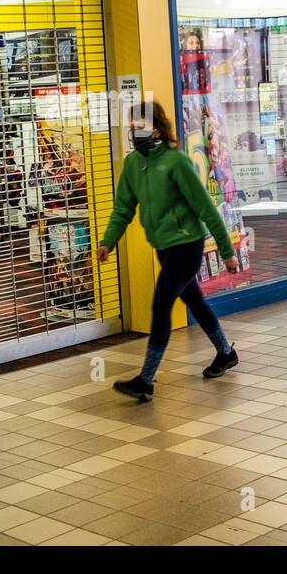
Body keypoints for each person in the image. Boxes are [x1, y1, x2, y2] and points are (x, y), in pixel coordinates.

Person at [97, 101, 239, 402]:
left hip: (187, 246)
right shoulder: (134, 165)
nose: (135, 134)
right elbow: (123, 208)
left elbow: (205, 207)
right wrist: (107, 242)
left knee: (161, 305)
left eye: (141, 127)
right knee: (195, 301)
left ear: (157, 128)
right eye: (132, 128)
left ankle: (146, 380)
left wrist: (226, 251)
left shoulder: (176, 163)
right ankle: (225, 353)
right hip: (163, 247)